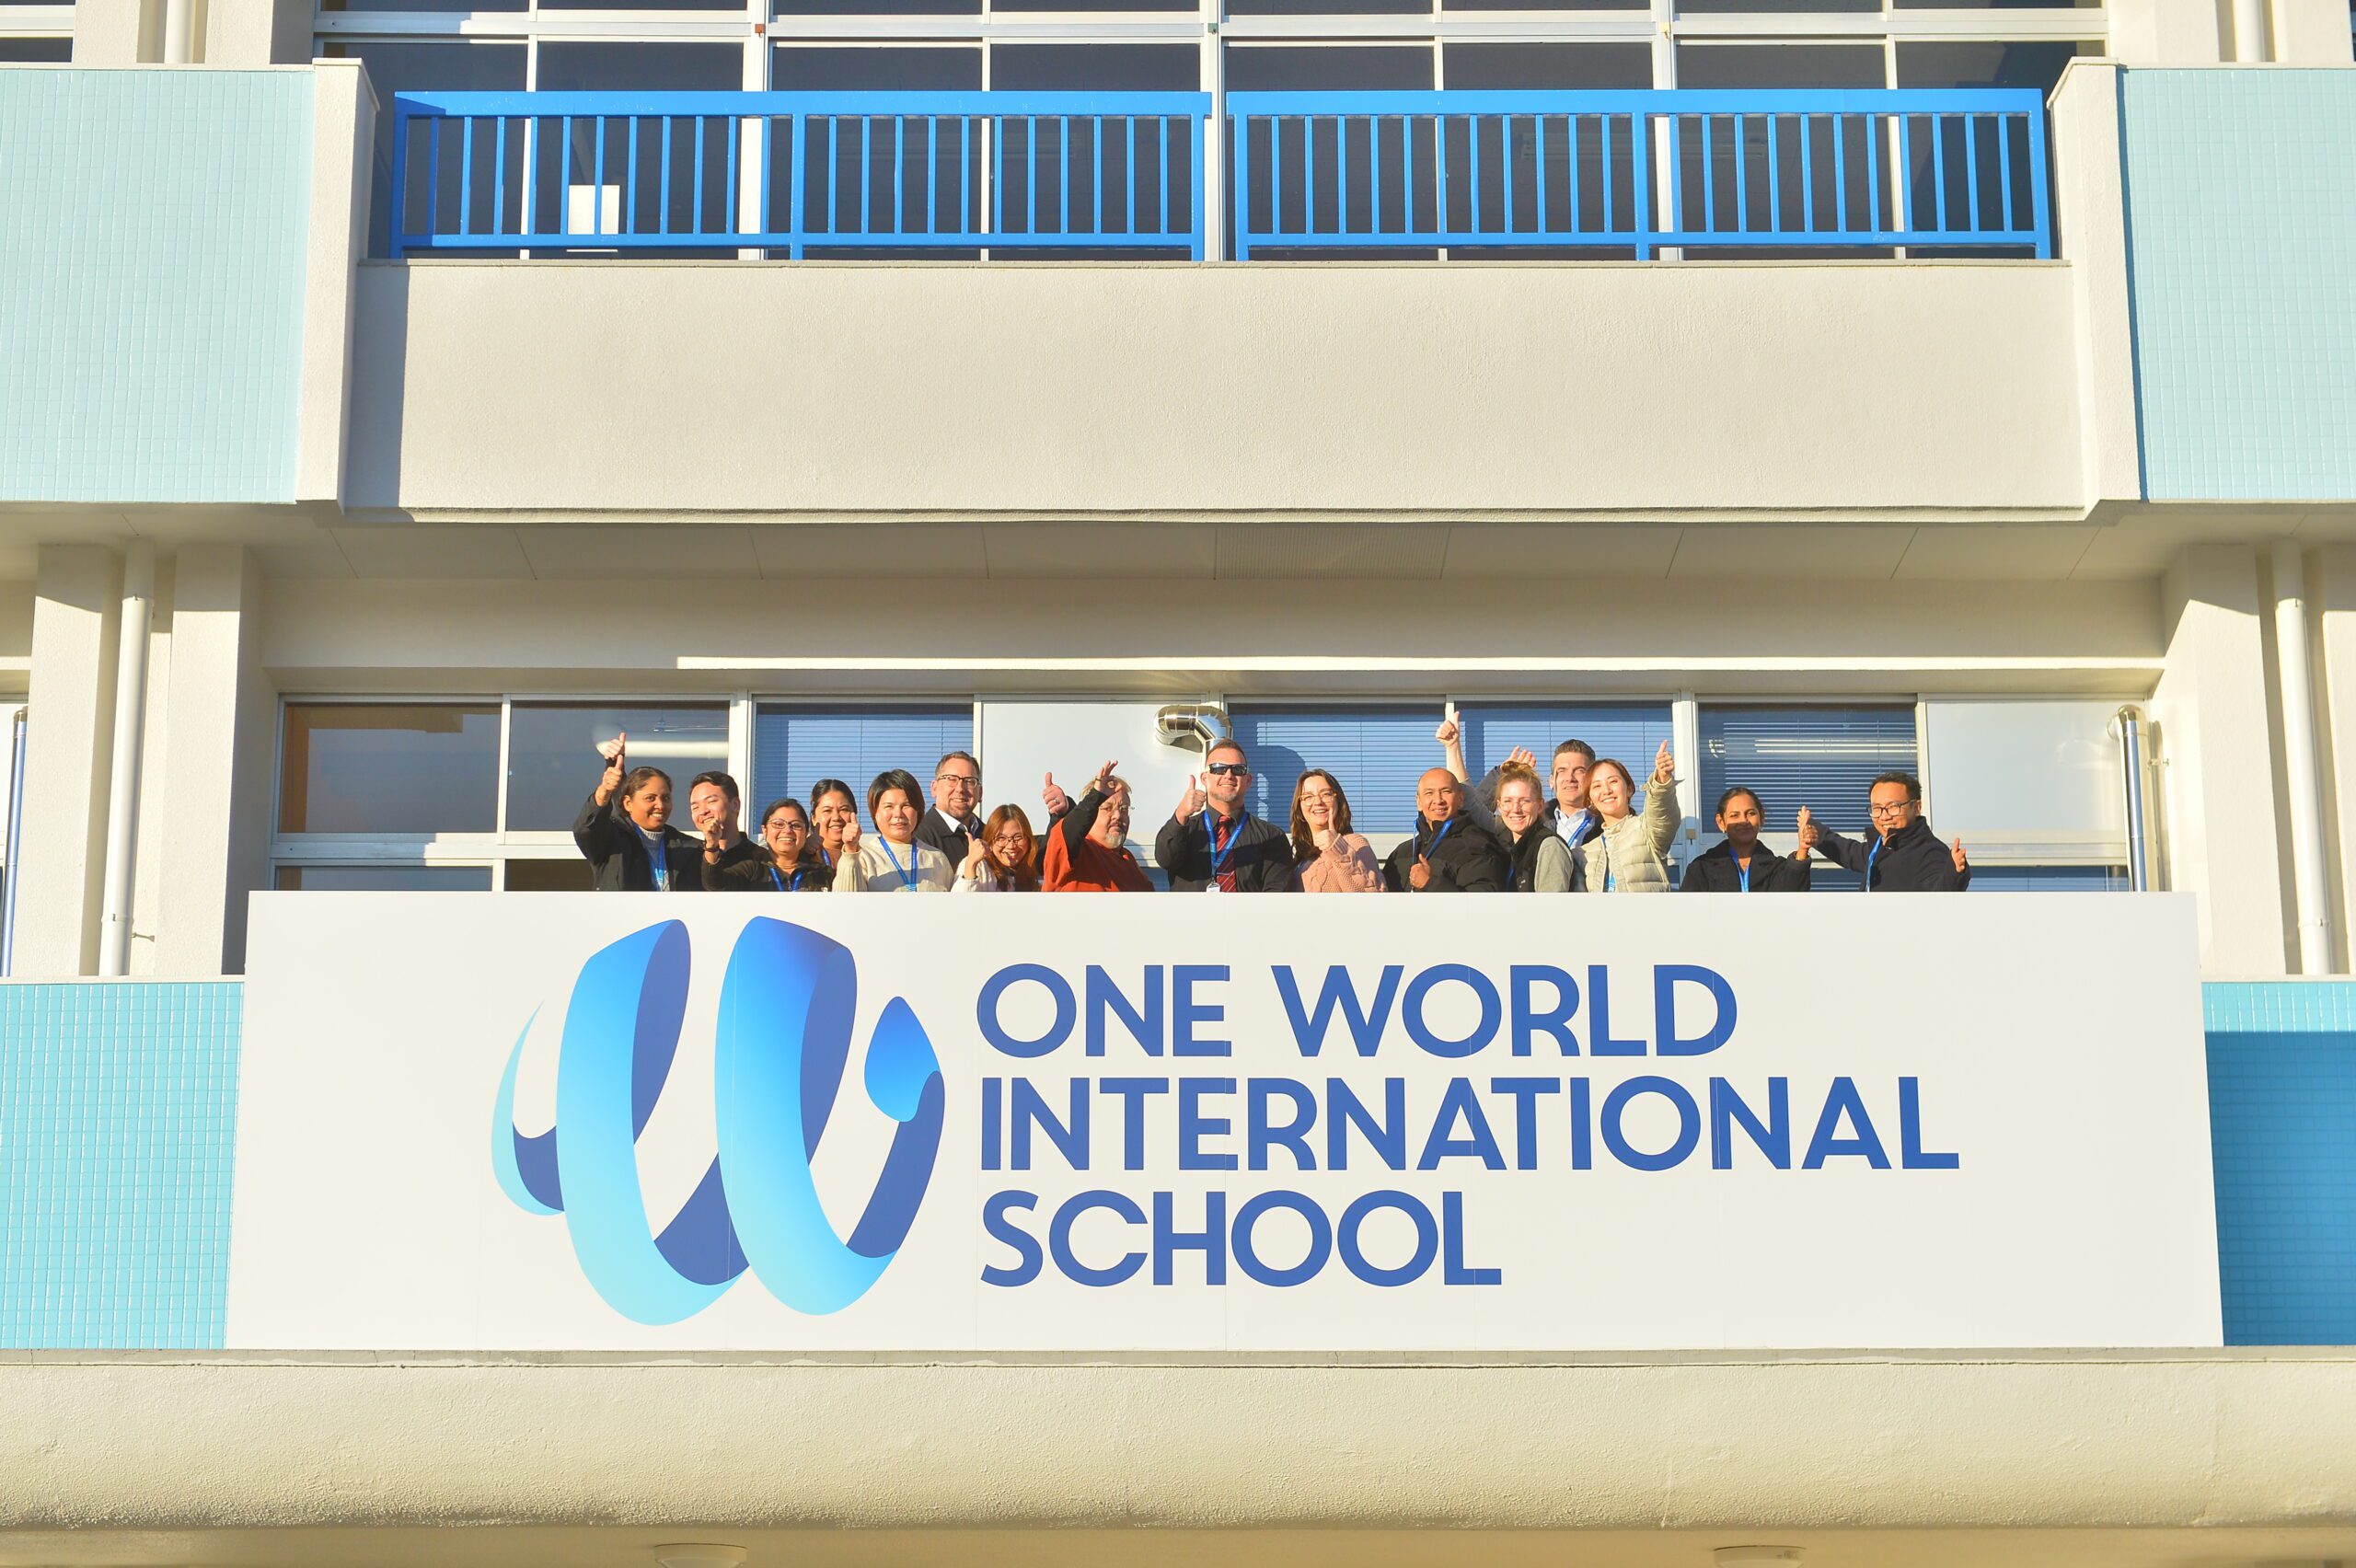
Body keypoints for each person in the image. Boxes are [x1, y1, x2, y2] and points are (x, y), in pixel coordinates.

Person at [1438, 721, 1604, 855]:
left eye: (1579, 771)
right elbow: (1471, 807)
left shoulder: (1609, 824)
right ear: (1551, 781)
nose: (1570, 778)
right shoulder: (1529, 819)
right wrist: (1453, 748)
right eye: (1562, 771)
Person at [1155, 740, 1295, 893]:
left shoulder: (1271, 837)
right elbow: (1165, 859)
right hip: (1192, 916)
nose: (1228, 775)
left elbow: (1276, 898)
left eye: (1238, 769)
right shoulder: (1185, 830)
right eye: (1219, 769)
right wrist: (1181, 814)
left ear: (1248, 781)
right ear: (1204, 779)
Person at [1798, 771, 1970, 892]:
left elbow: (1941, 895)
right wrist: (1814, 831)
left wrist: (1955, 872)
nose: (1884, 816)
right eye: (1877, 808)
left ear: (1917, 807)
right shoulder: (1881, 847)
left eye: (1894, 807)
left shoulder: (1929, 851)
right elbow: (1846, 850)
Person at [573, 733, 703, 893]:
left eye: (666, 798)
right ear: (628, 803)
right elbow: (586, 829)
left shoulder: (690, 848)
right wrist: (604, 792)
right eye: (650, 798)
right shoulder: (612, 841)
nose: (660, 805)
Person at [1382, 767, 1509, 893]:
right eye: (1429, 793)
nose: (1438, 800)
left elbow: (1481, 906)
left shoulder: (1478, 849)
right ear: (1419, 802)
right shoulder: (1401, 853)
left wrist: (1430, 884)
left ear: (1460, 799)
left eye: (1446, 791)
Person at [1579, 743, 1681, 894]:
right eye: (1597, 786)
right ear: (1590, 800)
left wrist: (1662, 779)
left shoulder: (1646, 830)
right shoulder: (1584, 854)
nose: (1606, 790)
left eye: (1613, 781)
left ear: (1629, 789)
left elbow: (1661, 813)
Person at [835, 768, 957, 893]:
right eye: (889, 806)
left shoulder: (937, 859)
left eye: (906, 805)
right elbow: (846, 904)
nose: (898, 814)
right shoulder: (863, 857)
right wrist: (850, 852)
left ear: (918, 810)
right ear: (875, 812)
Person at [1044, 761, 1154, 893]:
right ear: (1091, 814)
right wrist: (1096, 796)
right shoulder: (1077, 852)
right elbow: (1067, 836)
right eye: (1108, 808)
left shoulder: (1132, 865)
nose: (1117, 815)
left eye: (1124, 809)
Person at [1679, 787, 1811, 894]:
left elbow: (1793, 895)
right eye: (1734, 815)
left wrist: (1803, 849)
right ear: (1721, 822)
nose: (1744, 821)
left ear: (1762, 817)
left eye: (1751, 813)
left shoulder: (1776, 868)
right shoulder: (1702, 869)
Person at [704, 797, 831, 893]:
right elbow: (715, 884)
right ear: (765, 830)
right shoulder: (753, 870)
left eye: (796, 825)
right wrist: (711, 845)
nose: (787, 830)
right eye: (778, 824)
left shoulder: (822, 873)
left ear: (806, 832)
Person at [1290, 768, 1383, 894]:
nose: (1318, 802)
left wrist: (1339, 850)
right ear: (1299, 809)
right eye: (1308, 797)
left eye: (1326, 794)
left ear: (1338, 801)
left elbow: (1376, 896)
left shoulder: (1355, 844)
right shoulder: (1300, 858)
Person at [1490, 760, 1563, 894]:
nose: (1516, 809)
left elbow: (1551, 909)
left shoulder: (1549, 847)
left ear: (1540, 805)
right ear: (1499, 806)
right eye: (1508, 801)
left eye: (1525, 801)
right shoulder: (1502, 848)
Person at [687, 770, 768, 881]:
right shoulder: (688, 858)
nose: (703, 811)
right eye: (695, 807)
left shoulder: (762, 859)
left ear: (735, 805)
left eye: (711, 801)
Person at [915, 751, 987, 864]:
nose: (960, 789)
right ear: (934, 788)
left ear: (980, 793)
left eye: (969, 781)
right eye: (951, 779)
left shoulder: (990, 835)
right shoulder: (919, 838)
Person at [954, 804, 1042, 893]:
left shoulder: (1037, 867)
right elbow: (959, 904)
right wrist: (971, 866)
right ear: (990, 841)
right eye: (1001, 838)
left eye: (1018, 837)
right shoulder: (979, 866)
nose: (1011, 846)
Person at [808, 778, 860, 881]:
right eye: (827, 810)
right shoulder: (802, 857)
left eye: (844, 809)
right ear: (813, 818)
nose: (836, 817)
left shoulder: (868, 859)